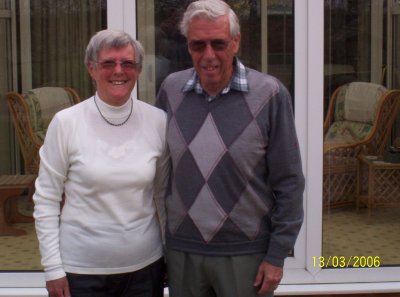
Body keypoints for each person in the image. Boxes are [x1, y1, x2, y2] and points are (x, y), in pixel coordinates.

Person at [156, 0, 305, 296]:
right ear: (188, 46)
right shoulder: (170, 90)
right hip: (183, 251)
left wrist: (277, 255)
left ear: (236, 42)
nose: (208, 55)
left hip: (245, 254)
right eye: (198, 45)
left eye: (218, 43)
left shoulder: (270, 94)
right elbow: (158, 172)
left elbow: (289, 182)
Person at [33, 29, 169, 297]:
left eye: (127, 63)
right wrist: (53, 268)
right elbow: (46, 199)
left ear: (138, 70)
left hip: (145, 270)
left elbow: (164, 197)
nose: (119, 71)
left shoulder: (158, 121)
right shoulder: (66, 123)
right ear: (91, 69)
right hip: (82, 273)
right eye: (108, 63)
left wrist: (169, 255)